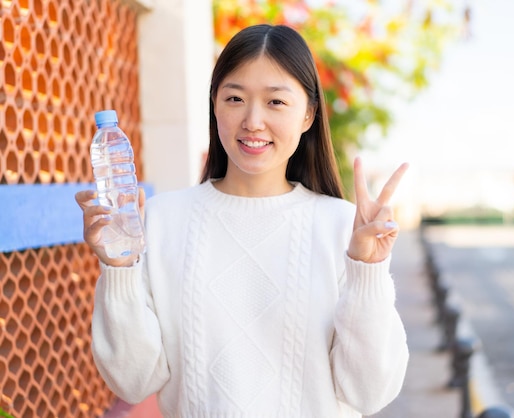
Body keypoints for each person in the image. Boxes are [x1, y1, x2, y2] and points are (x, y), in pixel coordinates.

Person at [76, 24, 409, 418]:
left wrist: (367, 271)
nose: (252, 120)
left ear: (308, 115)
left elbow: (368, 393)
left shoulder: (342, 227)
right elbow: (134, 382)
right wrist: (118, 267)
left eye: (275, 102)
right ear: (215, 105)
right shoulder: (162, 220)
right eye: (235, 98)